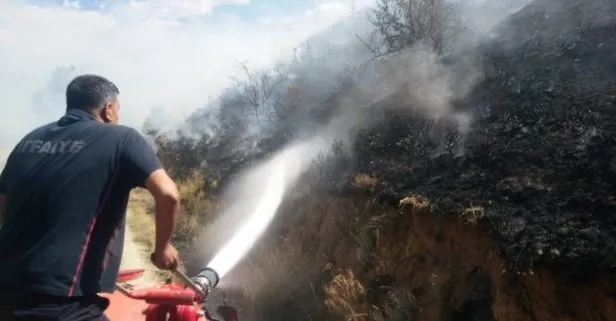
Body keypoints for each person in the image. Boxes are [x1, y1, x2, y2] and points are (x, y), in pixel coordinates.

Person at [0, 74, 181, 320]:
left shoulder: (30, 140)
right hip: (62, 303)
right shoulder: (122, 138)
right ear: (108, 109)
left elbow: (3, 207)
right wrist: (163, 249)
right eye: (117, 110)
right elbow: (168, 194)